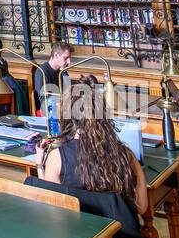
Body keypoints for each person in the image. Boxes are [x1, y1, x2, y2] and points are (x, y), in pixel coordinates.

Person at [37, 79, 148, 221]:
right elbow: (142, 207)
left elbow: (52, 207)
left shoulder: (57, 157)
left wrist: (40, 166)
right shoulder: (126, 154)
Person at [35, 42, 73, 111]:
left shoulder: (61, 71)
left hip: (62, 108)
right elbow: (42, 99)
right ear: (56, 55)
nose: (69, 62)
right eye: (66, 58)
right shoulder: (42, 71)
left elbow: (68, 91)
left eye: (69, 58)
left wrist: (64, 72)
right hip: (50, 111)